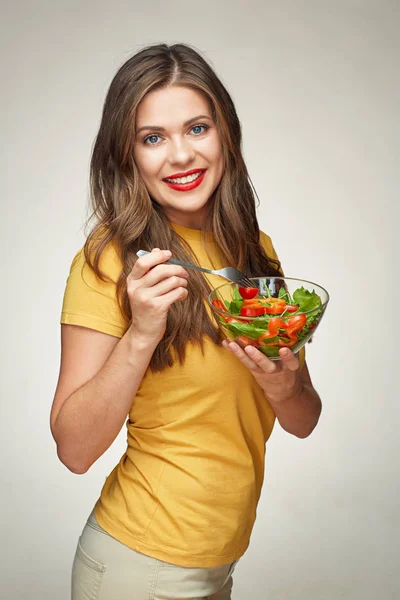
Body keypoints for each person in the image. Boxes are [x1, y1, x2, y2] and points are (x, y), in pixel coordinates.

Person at [50, 43, 322, 600]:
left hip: (215, 565)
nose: (179, 155)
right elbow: (73, 450)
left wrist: (285, 382)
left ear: (225, 134)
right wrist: (143, 332)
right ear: (127, 156)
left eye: (196, 128)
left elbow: (302, 419)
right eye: (152, 138)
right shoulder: (109, 260)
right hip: (137, 565)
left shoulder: (254, 250)